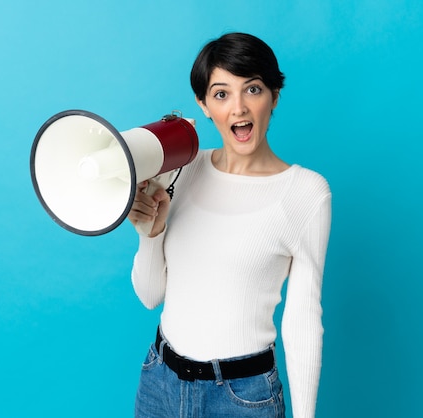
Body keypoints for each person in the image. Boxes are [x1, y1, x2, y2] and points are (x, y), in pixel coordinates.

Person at [127, 32, 331, 418]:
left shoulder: (305, 193)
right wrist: (150, 234)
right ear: (203, 105)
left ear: (274, 95)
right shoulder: (182, 169)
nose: (238, 108)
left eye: (252, 89)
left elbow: (303, 319)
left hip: (241, 398)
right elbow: (151, 296)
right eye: (221, 94)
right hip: (160, 383)